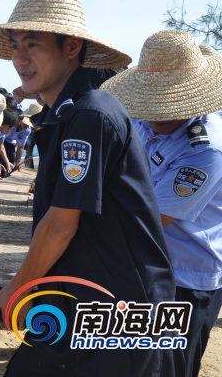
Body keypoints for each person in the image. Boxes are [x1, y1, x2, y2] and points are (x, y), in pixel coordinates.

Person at [0, 0, 176, 376]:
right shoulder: (71, 113)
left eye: (32, 45)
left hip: (116, 307)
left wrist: (16, 288)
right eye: (14, 46)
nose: (19, 59)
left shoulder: (89, 116)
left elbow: (60, 226)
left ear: (71, 47)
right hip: (86, 291)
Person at [101, 30, 222, 377]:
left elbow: (149, 223)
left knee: (172, 369)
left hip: (186, 277)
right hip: (143, 268)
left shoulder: (205, 150)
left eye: (165, 107)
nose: (154, 115)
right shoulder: (141, 120)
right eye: (148, 103)